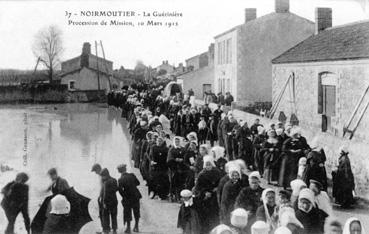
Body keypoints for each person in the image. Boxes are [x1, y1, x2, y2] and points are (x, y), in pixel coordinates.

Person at [194, 155, 223, 233]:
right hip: (204, 199)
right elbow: (197, 188)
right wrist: (204, 192)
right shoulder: (201, 175)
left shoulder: (217, 172)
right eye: (206, 164)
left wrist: (217, 188)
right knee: (205, 217)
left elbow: (221, 183)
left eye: (209, 164)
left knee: (214, 216)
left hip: (214, 198)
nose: (208, 166)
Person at [117, 164, 142, 233]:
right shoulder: (132, 175)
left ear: (119, 171)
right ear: (125, 169)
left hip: (127, 197)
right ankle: (136, 227)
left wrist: (124, 196)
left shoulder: (120, 179)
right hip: (136, 196)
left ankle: (128, 228)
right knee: (136, 211)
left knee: (127, 212)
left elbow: (120, 190)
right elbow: (138, 183)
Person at [100, 168, 118, 234]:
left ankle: (106, 229)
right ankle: (114, 229)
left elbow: (105, 193)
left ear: (105, 175)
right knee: (114, 215)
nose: (102, 177)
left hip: (107, 202)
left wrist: (104, 202)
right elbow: (116, 189)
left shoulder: (106, 183)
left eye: (102, 176)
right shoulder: (114, 180)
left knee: (106, 215)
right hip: (114, 200)